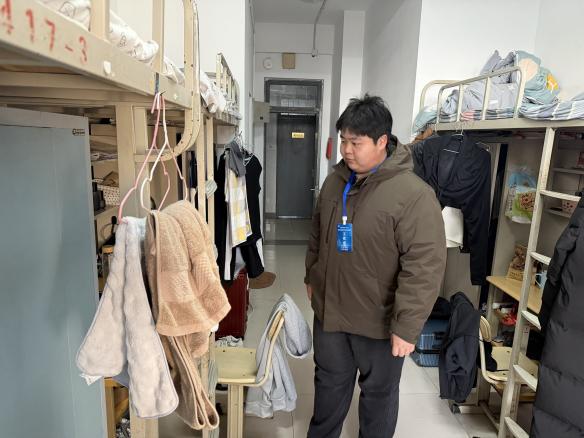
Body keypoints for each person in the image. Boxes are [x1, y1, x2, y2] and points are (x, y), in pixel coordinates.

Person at [305, 95, 446, 437]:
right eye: (343, 140)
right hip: (331, 315)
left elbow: (424, 266)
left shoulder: (413, 195)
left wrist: (407, 326)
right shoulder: (335, 182)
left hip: (379, 323)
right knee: (328, 391)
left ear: (382, 141)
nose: (346, 150)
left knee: (378, 400)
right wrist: (312, 276)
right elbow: (317, 234)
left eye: (356, 143)